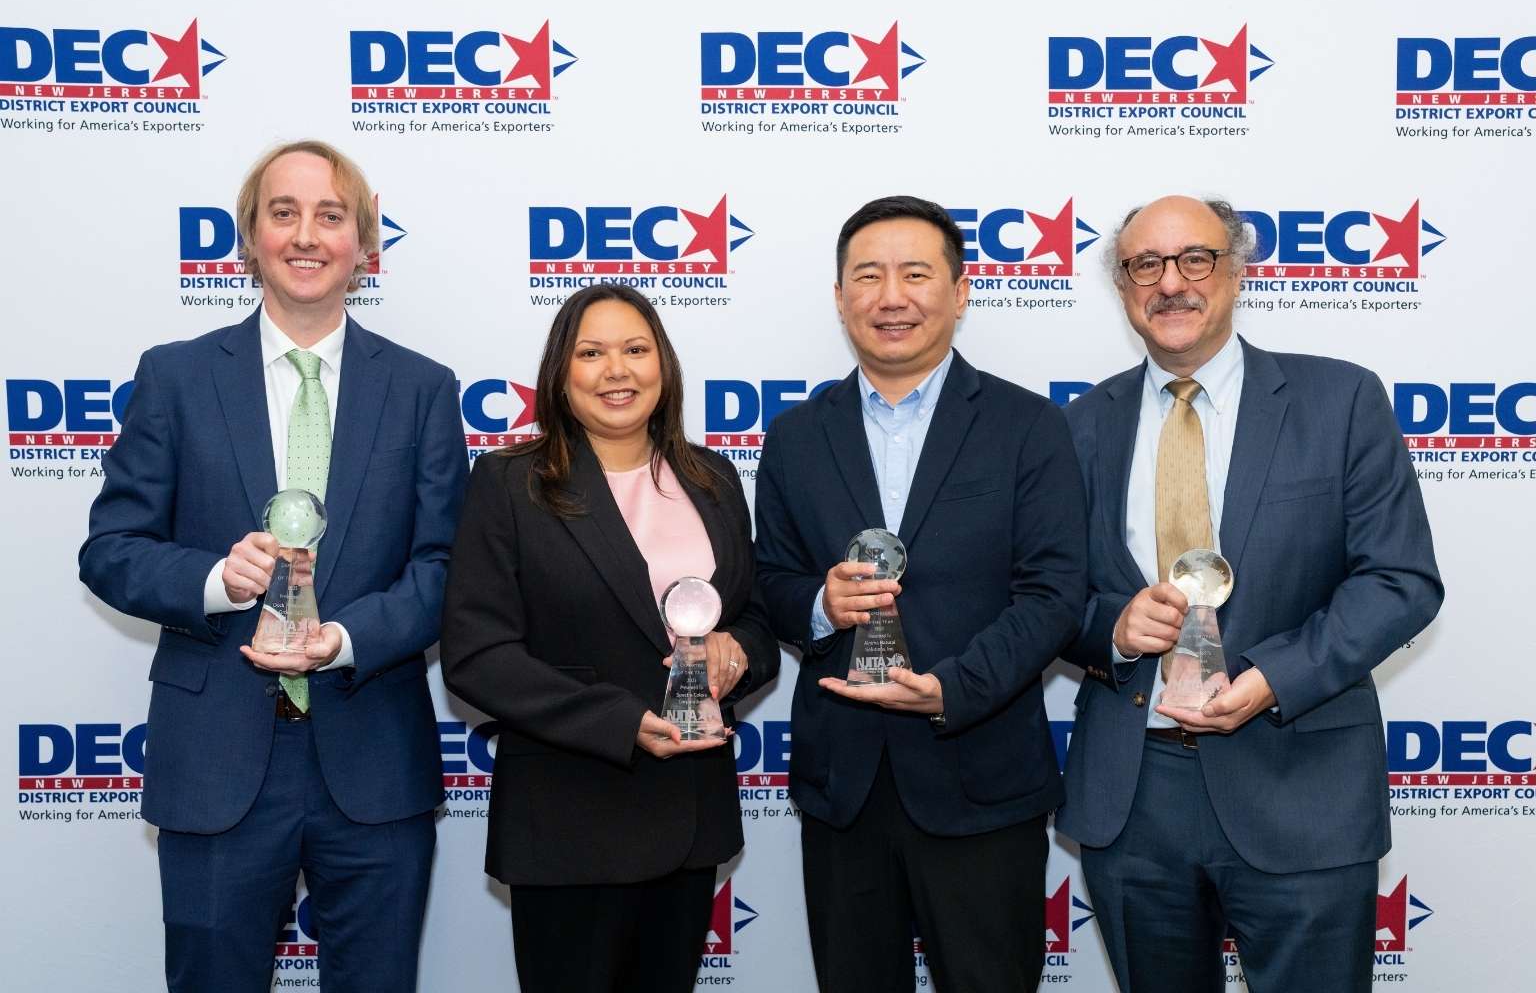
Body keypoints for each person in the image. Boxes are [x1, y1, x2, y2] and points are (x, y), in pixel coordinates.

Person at [78, 140, 468, 992]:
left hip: (374, 758)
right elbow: (110, 550)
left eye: (330, 215)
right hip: (215, 760)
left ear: (363, 243)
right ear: (249, 237)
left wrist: (346, 639)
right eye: (283, 213)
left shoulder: (423, 389)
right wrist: (217, 582)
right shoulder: (175, 377)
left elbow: (445, 568)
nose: (306, 235)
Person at [1056, 195, 1443, 992]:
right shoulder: (1079, 425)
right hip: (1134, 795)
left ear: (1236, 271)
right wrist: (1114, 631)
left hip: (1301, 782)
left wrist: (1273, 676)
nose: (1171, 283)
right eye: (1145, 265)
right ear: (1123, 287)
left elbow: (1399, 579)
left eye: (1195, 259)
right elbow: (1049, 597)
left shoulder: (1340, 401)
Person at [753, 196, 1087, 992]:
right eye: (868, 276)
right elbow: (769, 580)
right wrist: (820, 605)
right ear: (841, 297)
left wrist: (951, 689)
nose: (891, 297)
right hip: (845, 785)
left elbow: (1054, 592)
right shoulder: (797, 435)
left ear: (960, 291)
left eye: (915, 274)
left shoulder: (1028, 425)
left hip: (981, 775)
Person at [439, 283, 779, 993]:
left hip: (689, 817)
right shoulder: (511, 482)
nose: (616, 371)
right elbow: (476, 655)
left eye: (635, 349)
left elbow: (755, 618)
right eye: (591, 353)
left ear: (664, 365)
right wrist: (619, 722)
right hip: (570, 823)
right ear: (561, 373)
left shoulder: (713, 477)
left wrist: (737, 650)